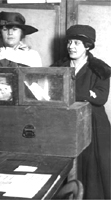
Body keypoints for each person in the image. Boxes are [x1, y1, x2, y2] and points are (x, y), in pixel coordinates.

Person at [51, 24, 111, 199]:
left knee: (94, 167)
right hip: (65, 122)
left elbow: (100, 98)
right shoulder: (57, 67)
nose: (71, 46)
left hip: (94, 125)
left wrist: (72, 93)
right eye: (69, 42)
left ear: (87, 46)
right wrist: (86, 94)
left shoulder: (100, 69)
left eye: (77, 43)